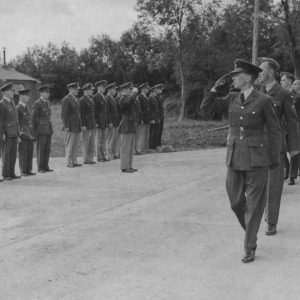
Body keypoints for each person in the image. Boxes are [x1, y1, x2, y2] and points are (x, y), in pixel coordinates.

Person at [200, 59, 281, 263]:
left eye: (236, 75)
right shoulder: (232, 98)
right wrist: (213, 90)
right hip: (235, 157)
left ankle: (249, 246)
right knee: (236, 203)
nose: (233, 78)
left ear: (247, 78)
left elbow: (274, 131)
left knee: (254, 206)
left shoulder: (263, 100)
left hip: (257, 159)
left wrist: (273, 159)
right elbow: (206, 110)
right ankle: (251, 231)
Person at [257, 57, 300, 235]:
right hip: (256, 146)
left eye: (261, 70)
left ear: (271, 73)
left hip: (275, 147)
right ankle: (265, 208)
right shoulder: (255, 91)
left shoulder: (282, 93)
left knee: (274, 186)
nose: (258, 73)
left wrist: (294, 147)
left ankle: (272, 222)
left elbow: (292, 122)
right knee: (257, 185)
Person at [0, 82, 21, 180]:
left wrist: (18, 132)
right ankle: (6, 174)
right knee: (6, 154)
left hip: (13, 132)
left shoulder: (12, 102)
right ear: (4, 92)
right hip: (7, 133)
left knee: (13, 154)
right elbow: (1, 120)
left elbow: (15, 119)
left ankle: (12, 173)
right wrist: (2, 133)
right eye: (9, 90)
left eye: (12, 90)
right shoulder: (2, 104)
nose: (12, 92)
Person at [32, 85, 54, 173]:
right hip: (41, 130)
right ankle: (40, 167)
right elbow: (34, 119)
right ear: (41, 93)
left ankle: (46, 166)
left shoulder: (47, 103)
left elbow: (49, 116)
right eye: (45, 92)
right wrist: (35, 131)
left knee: (47, 149)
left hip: (48, 129)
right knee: (41, 149)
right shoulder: (37, 103)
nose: (47, 94)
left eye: (48, 93)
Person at [118, 82, 139, 173]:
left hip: (130, 125)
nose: (130, 91)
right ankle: (124, 167)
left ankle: (129, 166)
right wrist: (134, 93)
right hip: (126, 126)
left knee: (130, 148)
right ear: (124, 90)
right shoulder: (122, 98)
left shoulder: (128, 98)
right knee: (125, 148)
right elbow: (130, 101)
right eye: (129, 89)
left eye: (131, 89)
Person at [61, 82, 82, 168]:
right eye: (76, 89)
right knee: (69, 145)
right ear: (71, 89)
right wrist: (66, 126)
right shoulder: (66, 99)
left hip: (76, 126)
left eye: (77, 89)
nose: (77, 90)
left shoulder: (75, 99)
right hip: (70, 126)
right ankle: (69, 162)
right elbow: (64, 114)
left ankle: (74, 161)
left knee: (75, 145)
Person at [16, 89, 36, 176]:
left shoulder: (26, 107)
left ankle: (29, 169)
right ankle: (23, 170)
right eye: (26, 95)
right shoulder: (18, 108)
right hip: (23, 133)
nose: (28, 97)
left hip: (29, 133)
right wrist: (19, 134)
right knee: (23, 153)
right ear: (21, 96)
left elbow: (29, 121)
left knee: (29, 151)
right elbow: (16, 122)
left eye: (28, 95)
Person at [280, 72, 295, 180]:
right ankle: (287, 168)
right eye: (280, 80)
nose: (281, 82)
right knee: (282, 149)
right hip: (282, 127)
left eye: (283, 80)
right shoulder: (279, 93)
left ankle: (292, 174)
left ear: (289, 82)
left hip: (292, 126)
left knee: (292, 150)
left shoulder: (294, 94)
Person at [79, 83, 96, 164]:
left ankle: (90, 158)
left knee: (91, 143)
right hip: (86, 124)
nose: (92, 91)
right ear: (86, 90)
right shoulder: (82, 100)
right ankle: (86, 159)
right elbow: (81, 114)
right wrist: (83, 124)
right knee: (86, 142)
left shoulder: (90, 99)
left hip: (92, 124)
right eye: (90, 90)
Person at [93, 80, 109, 162]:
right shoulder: (95, 97)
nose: (104, 89)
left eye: (105, 87)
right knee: (98, 140)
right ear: (98, 87)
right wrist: (96, 122)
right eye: (103, 87)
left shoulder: (104, 97)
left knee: (103, 140)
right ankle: (99, 157)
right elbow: (94, 111)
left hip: (104, 121)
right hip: (99, 122)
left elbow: (106, 111)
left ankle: (103, 155)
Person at [288, 79, 300, 185]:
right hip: (294, 126)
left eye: (296, 84)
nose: (293, 85)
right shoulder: (291, 96)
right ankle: (292, 176)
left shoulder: (297, 97)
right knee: (294, 151)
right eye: (293, 84)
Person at [106, 82, 119, 160]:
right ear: (110, 90)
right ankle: (109, 154)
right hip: (111, 122)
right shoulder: (107, 98)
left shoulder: (112, 98)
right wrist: (109, 122)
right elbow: (108, 112)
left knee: (114, 139)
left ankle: (114, 154)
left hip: (115, 121)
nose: (115, 91)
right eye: (114, 90)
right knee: (110, 139)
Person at [137, 82, 150, 153]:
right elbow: (140, 109)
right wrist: (141, 118)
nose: (148, 89)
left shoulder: (146, 97)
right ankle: (141, 148)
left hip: (147, 118)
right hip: (143, 118)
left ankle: (145, 148)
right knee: (142, 134)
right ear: (143, 89)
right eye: (146, 88)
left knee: (146, 134)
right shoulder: (139, 97)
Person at [155, 84, 165, 148]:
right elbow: (156, 108)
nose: (162, 90)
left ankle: (159, 143)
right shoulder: (155, 96)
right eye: (161, 89)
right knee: (157, 131)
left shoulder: (159, 96)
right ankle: (157, 144)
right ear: (157, 89)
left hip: (161, 116)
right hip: (158, 116)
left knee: (160, 130)